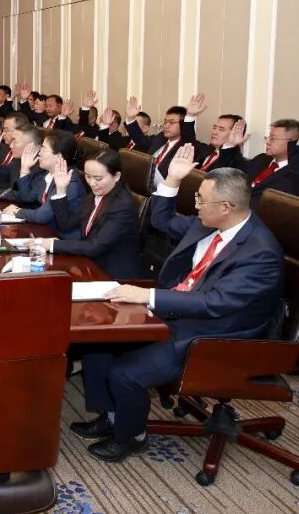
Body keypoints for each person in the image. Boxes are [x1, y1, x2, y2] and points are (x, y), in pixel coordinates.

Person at [71, 154, 283, 462]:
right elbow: (162, 221)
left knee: (125, 373)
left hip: (214, 334)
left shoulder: (260, 253)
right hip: (179, 309)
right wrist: (171, 180)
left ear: (226, 207)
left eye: (201, 200)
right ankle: (113, 415)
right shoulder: (212, 223)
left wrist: (149, 297)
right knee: (98, 345)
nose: (196, 206)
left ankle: (131, 436)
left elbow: (216, 303)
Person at [34, 149, 143, 279]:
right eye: (88, 176)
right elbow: (66, 224)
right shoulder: (95, 196)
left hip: (115, 276)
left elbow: (95, 246)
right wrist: (61, 189)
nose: (92, 183)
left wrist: (52, 244)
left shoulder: (122, 206)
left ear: (117, 176)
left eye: (98, 178)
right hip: (91, 265)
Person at [4, 131, 85, 236]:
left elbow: (41, 216)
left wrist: (17, 211)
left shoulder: (69, 181)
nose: (39, 153)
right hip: (46, 232)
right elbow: (26, 197)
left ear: (59, 157)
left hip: (62, 239)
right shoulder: (48, 174)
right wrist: (25, 168)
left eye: (43, 148)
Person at [229, 116, 299, 205]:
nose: (268, 142)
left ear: (293, 142)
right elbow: (233, 171)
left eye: (273, 138)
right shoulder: (262, 159)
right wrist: (231, 145)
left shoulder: (298, 175)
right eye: (268, 137)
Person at [123, 94, 200, 186]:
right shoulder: (161, 138)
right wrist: (131, 119)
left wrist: (190, 116)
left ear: (183, 125)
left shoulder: (185, 146)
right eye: (165, 122)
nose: (166, 126)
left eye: (171, 122)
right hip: (143, 183)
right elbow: (141, 140)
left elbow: (189, 136)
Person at [0, 120, 40, 202]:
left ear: (31, 145)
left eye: (15, 141)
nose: (11, 146)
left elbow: (27, 197)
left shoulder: (41, 167)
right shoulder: (17, 160)